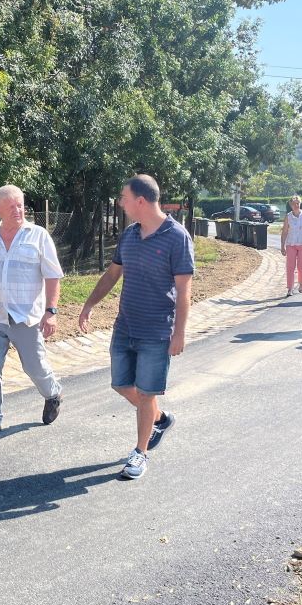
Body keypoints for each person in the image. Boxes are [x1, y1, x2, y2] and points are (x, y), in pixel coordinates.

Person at [78, 175, 194, 480]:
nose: (121, 203)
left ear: (140, 201)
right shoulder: (129, 235)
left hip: (157, 331)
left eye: (124, 198)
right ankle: (160, 418)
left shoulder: (177, 237)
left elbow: (184, 290)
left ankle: (140, 453)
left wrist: (179, 333)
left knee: (145, 393)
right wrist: (89, 304)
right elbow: (112, 275)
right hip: (125, 326)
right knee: (120, 384)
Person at [0, 185, 65, 439]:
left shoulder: (38, 236)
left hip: (26, 318)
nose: (18, 210)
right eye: (11, 206)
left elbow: (53, 275)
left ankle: (53, 393)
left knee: (34, 367)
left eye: (20, 205)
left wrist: (51, 311)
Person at [280, 195, 302, 297]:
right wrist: (282, 246)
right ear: (290, 205)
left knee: (301, 265)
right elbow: (284, 232)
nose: (296, 205)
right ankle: (290, 288)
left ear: (300, 204)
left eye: (298, 203)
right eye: (294, 204)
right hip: (291, 243)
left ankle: (301, 284)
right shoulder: (288, 216)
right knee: (290, 266)